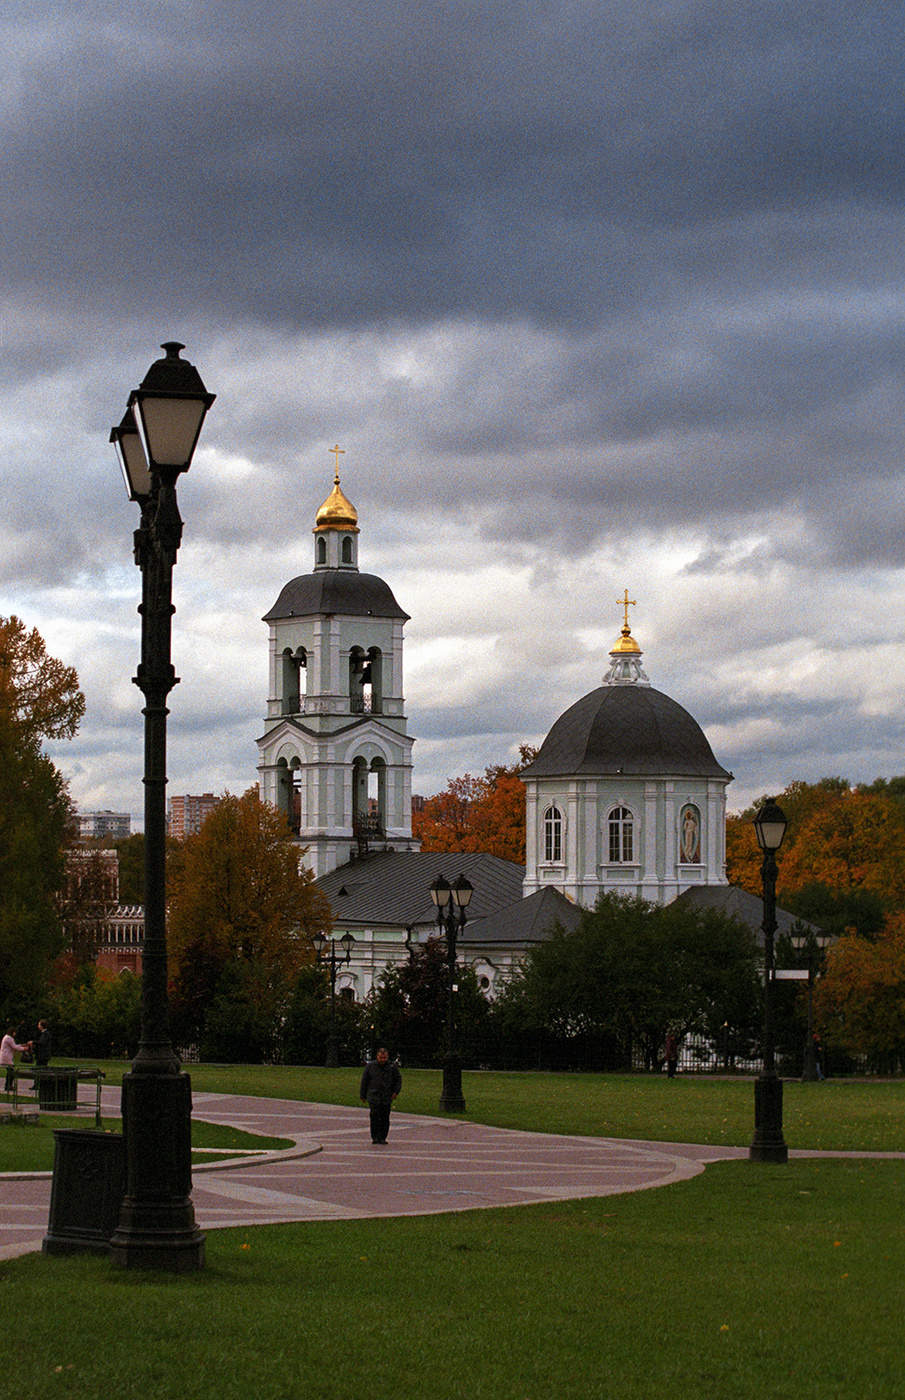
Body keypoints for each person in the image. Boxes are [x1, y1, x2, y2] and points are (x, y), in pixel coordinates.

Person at [359, 1047, 402, 1144]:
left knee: (385, 1117)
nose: (383, 1060)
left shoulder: (392, 1067)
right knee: (374, 1116)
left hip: (387, 1096)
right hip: (374, 1095)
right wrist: (363, 1094)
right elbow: (364, 1081)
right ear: (377, 1057)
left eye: (384, 1058)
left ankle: (383, 1137)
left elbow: (398, 1080)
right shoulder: (370, 1066)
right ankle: (375, 1137)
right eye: (381, 1057)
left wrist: (396, 1092)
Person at [1, 1026, 28, 1094]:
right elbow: (15, 1047)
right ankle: (8, 1086)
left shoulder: (7, 1037)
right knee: (11, 1072)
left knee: (10, 1072)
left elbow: (14, 1046)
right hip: (6, 1057)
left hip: (6, 1057)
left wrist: (22, 1045)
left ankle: (8, 1085)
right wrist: (24, 1048)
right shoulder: (9, 1038)